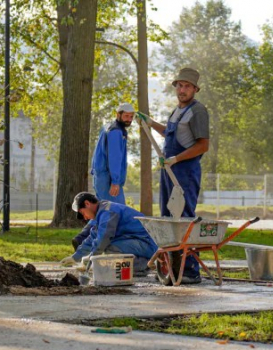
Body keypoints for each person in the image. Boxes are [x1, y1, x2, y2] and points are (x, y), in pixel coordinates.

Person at [138, 68, 210, 283]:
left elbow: (203, 145)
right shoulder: (177, 111)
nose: (182, 89)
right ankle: (173, 268)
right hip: (169, 171)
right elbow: (170, 133)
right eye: (179, 85)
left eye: (187, 86)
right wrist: (151, 123)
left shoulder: (198, 111)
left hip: (185, 172)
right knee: (169, 220)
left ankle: (189, 271)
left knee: (183, 219)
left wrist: (176, 159)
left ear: (195, 89)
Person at [60, 192, 157, 274]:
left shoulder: (108, 212)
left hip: (148, 244)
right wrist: (75, 257)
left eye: (82, 213)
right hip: (141, 242)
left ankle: (144, 265)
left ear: (87, 203)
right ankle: (146, 263)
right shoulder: (102, 212)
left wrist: (91, 259)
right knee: (110, 249)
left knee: (110, 248)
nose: (85, 218)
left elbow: (104, 238)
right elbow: (92, 238)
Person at [90, 103, 135, 204]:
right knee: (115, 211)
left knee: (103, 209)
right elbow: (115, 158)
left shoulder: (108, 127)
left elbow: (98, 151)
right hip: (108, 179)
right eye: (126, 116)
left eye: (131, 116)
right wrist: (115, 181)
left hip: (100, 176)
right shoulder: (116, 132)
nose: (129, 119)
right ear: (118, 115)